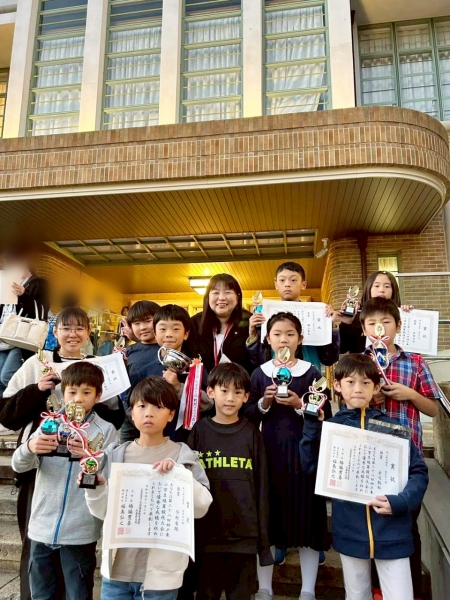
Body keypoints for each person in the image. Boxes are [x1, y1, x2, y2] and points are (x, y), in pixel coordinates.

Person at [0, 306, 124, 600]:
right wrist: (37, 389)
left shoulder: (98, 366)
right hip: (41, 463)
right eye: (66, 328)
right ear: (54, 332)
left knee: (75, 565)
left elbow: (113, 422)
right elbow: (6, 415)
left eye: (79, 328)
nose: (72, 334)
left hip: (81, 471)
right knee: (36, 544)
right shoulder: (36, 363)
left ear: (88, 333)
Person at [300, 354, 428, 600]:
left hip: (393, 532)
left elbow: (418, 471)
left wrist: (401, 501)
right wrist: (311, 427)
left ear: (376, 387)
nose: (358, 388)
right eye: (350, 382)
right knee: (356, 595)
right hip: (350, 531)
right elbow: (311, 468)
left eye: (366, 383)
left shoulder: (392, 428)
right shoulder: (332, 429)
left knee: (400, 595)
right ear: (337, 385)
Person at [81, 376, 213, 600]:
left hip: (161, 579)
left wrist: (180, 475)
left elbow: (202, 507)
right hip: (116, 574)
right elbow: (102, 512)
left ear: (171, 414)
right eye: (141, 406)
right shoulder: (115, 454)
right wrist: (96, 488)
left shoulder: (183, 455)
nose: (148, 413)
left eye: (158, 407)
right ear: (132, 413)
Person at [11, 362, 118, 600]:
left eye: (86, 392)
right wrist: (29, 447)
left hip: (80, 530)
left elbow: (108, 475)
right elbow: (19, 465)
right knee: (41, 593)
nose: (78, 399)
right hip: (41, 526)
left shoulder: (106, 430)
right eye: (72, 392)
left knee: (77, 593)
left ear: (98, 395)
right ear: (62, 393)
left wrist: (90, 455)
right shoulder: (49, 425)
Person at [244, 312, 331, 600]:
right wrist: (265, 401)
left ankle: (307, 590)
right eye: (278, 334)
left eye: (290, 334)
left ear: (300, 339)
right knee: (269, 520)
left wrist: (298, 405)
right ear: (268, 339)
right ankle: (264, 588)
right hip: (270, 455)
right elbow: (248, 414)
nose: (284, 340)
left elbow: (325, 414)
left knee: (308, 520)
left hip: (305, 456)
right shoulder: (260, 373)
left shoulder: (312, 373)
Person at [360, 297, 439, 599]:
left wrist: (409, 394)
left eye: (386, 322)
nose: (379, 328)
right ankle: (376, 590)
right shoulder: (359, 362)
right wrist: (370, 397)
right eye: (371, 323)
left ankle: (411, 591)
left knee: (408, 525)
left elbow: (433, 409)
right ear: (363, 328)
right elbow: (347, 403)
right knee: (371, 525)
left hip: (408, 458)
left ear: (398, 326)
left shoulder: (415, 362)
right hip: (369, 456)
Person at [188, 363, 272, 600]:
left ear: (246, 396)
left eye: (237, 392)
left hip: (244, 535)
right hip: (207, 535)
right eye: (224, 391)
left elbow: (262, 486)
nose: (230, 398)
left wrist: (261, 536)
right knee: (206, 594)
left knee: (241, 595)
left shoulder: (251, 433)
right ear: (210, 392)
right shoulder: (199, 431)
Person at [125, 304, 213, 444]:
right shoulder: (143, 370)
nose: (169, 334)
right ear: (155, 333)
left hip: (188, 440)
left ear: (186, 334)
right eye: (162, 329)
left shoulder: (195, 367)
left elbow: (209, 404)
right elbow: (131, 407)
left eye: (176, 329)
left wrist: (179, 387)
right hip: (152, 441)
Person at [248, 261, 340, 371]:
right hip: (274, 375)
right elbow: (257, 360)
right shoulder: (265, 313)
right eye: (282, 280)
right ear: (276, 284)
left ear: (303, 284)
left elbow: (329, 359)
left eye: (293, 280)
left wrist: (331, 326)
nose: (287, 284)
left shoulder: (317, 313)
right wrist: (253, 333)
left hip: (309, 375)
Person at [0, 256, 50, 399]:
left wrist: (23, 295)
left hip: (22, 338)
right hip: (4, 335)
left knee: (7, 376)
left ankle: (22, 401)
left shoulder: (38, 283)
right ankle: (4, 407)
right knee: (0, 378)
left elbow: (42, 311)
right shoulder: (7, 283)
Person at [191, 274, 254, 375]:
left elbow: (257, 359)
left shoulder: (249, 322)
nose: (221, 298)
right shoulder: (194, 324)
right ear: (207, 297)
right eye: (216, 292)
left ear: (238, 297)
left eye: (228, 292)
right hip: (202, 384)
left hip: (238, 383)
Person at [338, 270, 413, 354]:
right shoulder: (356, 315)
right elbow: (342, 348)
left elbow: (412, 351)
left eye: (387, 286)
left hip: (395, 361)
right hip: (362, 362)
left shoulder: (401, 315)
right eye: (377, 286)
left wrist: (409, 315)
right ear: (369, 288)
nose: (381, 290)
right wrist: (346, 324)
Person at [120, 300, 160, 443]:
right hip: (130, 417)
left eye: (148, 321)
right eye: (137, 323)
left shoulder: (167, 350)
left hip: (159, 417)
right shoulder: (128, 352)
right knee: (126, 453)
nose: (143, 327)